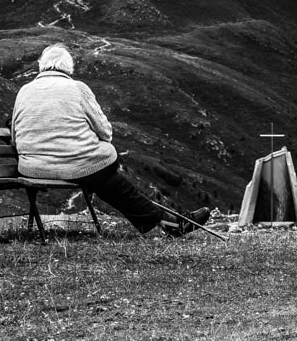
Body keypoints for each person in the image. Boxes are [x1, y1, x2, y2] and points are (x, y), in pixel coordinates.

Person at [11, 43, 210, 236]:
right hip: (75, 167)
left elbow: (14, 136)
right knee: (106, 168)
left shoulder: (24, 91)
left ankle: (167, 221)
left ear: (41, 65)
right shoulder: (77, 88)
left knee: (103, 177)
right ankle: (170, 222)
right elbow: (105, 132)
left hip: (32, 168)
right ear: (69, 67)